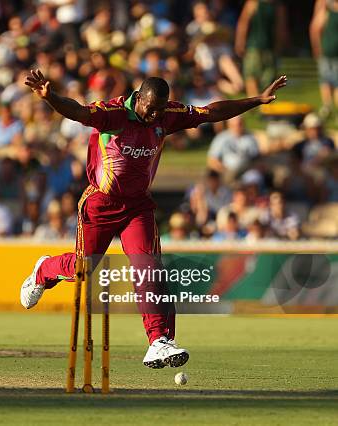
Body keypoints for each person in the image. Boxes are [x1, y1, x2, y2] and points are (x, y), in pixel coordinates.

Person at [20, 68, 287, 369]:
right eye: (150, 109)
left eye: (160, 109)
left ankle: (159, 340)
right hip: (101, 203)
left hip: (138, 207)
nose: (154, 116)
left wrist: (257, 100)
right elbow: (78, 111)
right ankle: (44, 269)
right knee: (84, 268)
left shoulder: (166, 114)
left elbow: (211, 112)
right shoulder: (114, 113)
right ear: (139, 98)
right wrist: (50, 97)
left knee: (149, 268)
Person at [235, 0, 287, 97]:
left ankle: (255, 103)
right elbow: (281, 29)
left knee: (252, 76)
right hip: (261, 48)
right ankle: (259, 103)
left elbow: (243, 23)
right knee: (261, 77)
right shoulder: (276, 6)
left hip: (256, 47)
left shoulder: (253, 3)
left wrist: (240, 42)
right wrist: (279, 46)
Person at [310, 0, 338, 119]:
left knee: (334, 82)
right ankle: (328, 107)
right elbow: (315, 29)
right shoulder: (326, 8)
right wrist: (317, 49)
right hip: (327, 52)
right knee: (326, 80)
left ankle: (330, 108)